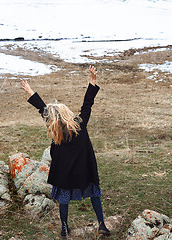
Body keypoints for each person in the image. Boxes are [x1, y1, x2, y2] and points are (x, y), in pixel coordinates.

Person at [21, 66, 111, 238]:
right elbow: (87, 104)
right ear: (66, 113)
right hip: (84, 170)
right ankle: (101, 225)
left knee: (63, 199)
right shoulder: (80, 124)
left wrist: (30, 91)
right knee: (94, 193)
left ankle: (64, 228)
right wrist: (92, 81)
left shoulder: (56, 131)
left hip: (65, 174)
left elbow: (42, 109)